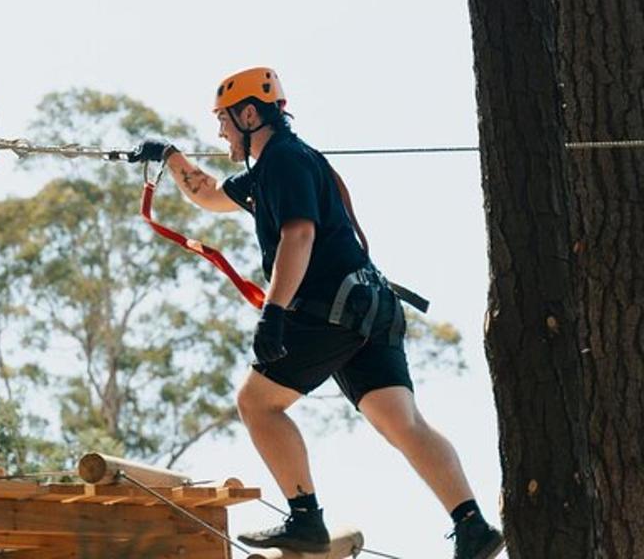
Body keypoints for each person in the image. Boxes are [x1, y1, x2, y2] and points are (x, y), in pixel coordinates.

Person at [127, 67, 504, 559]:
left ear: (248, 114)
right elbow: (210, 196)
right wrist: (170, 156)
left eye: (222, 119)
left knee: (257, 404)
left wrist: (274, 313)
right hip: (373, 307)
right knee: (401, 421)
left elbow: (298, 234)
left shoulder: (282, 160)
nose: (218, 131)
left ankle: (305, 518)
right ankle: (471, 524)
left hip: (333, 308)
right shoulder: (275, 168)